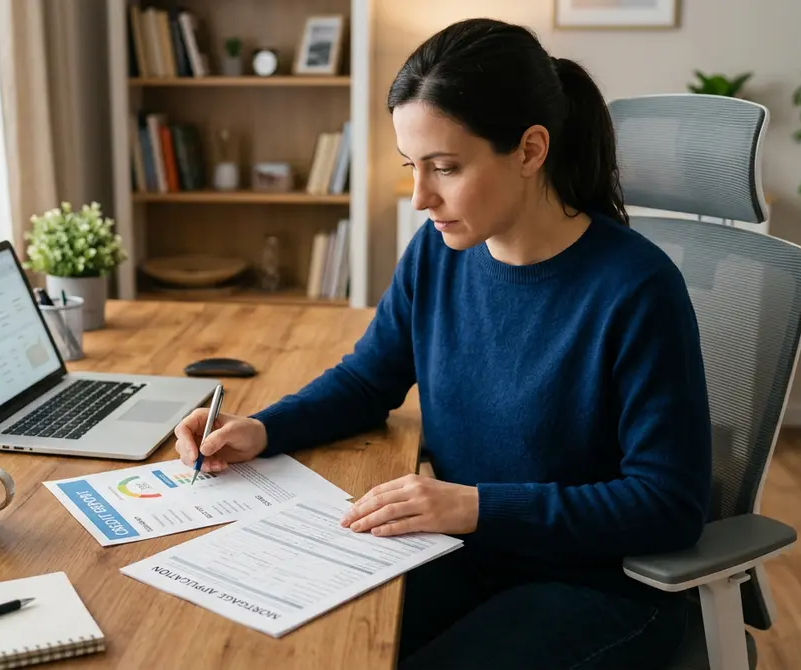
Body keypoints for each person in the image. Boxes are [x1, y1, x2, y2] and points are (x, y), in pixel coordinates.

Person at [173, 17, 711, 670]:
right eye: (412, 167)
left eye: (446, 168)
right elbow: (368, 382)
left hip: (599, 586)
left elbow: (668, 506)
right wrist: (259, 429)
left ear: (530, 150)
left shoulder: (637, 289)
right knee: (304, 646)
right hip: (464, 550)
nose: (421, 197)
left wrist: (476, 506)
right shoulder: (439, 251)